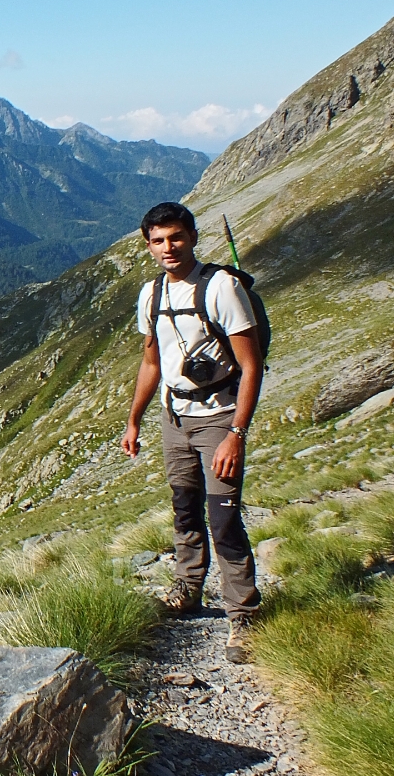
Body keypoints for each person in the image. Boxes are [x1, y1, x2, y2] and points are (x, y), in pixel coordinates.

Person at [119, 201, 263, 663]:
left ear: (193, 237)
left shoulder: (221, 288)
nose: (169, 247)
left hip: (219, 419)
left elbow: (251, 364)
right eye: (159, 241)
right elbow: (151, 362)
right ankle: (188, 588)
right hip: (174, 418)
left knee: (222, 519)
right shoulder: (151, 294)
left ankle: (244, 615)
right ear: (148, 246)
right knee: (184, 509)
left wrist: (236, 434)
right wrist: (134, 419)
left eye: (176, 237)